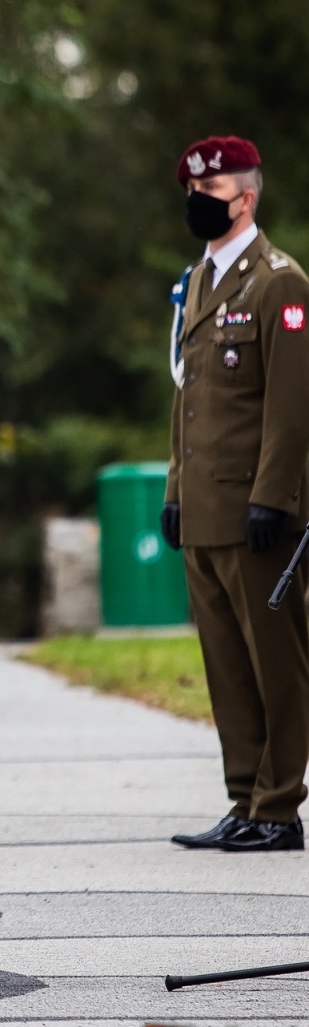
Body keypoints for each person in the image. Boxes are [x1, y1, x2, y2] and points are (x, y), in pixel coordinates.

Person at [162, 136, 309, 854]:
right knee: (224, 661)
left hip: (256, 511)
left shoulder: (278, 282)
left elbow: (290, 407)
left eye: (208, 193)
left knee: (274, 660)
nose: (194, 202)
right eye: (190, 190)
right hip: (204, 506)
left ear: (245, 198)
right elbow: (186, 400)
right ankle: (245, 796)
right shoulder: (198, 278)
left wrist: (273, 497)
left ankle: (280, 805)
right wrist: (172, 489)